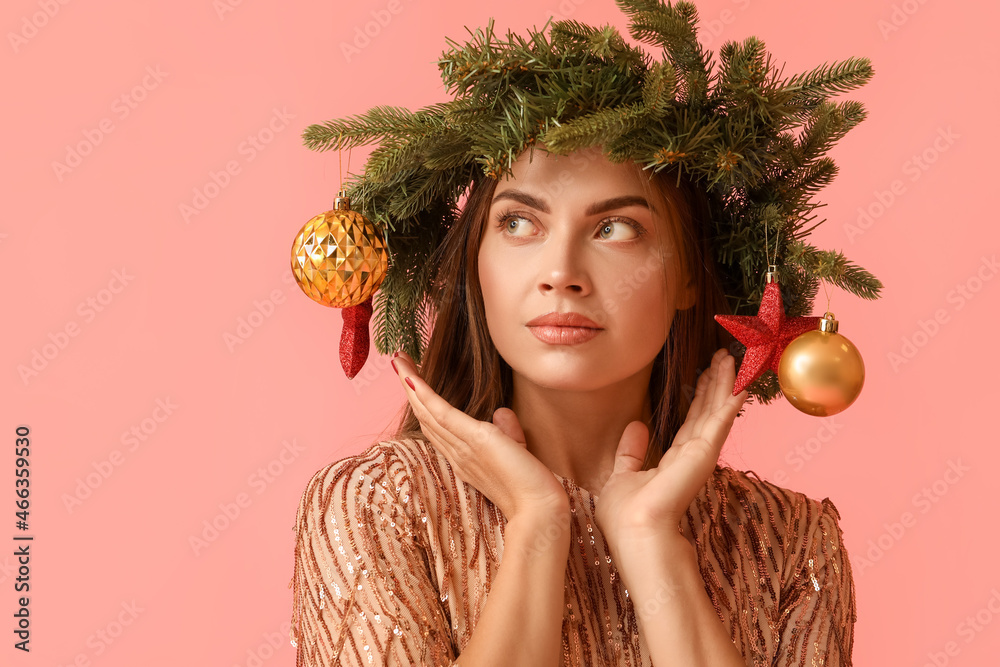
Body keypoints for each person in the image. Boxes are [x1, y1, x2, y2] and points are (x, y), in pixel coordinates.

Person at [288, 2, 873, 665]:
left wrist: (654, 544)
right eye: (518, 223)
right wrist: (537, 524)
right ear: (474, 260)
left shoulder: (791, 540)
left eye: (615, 227)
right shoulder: (376, 506)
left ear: (687, 273)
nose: (561, 272)